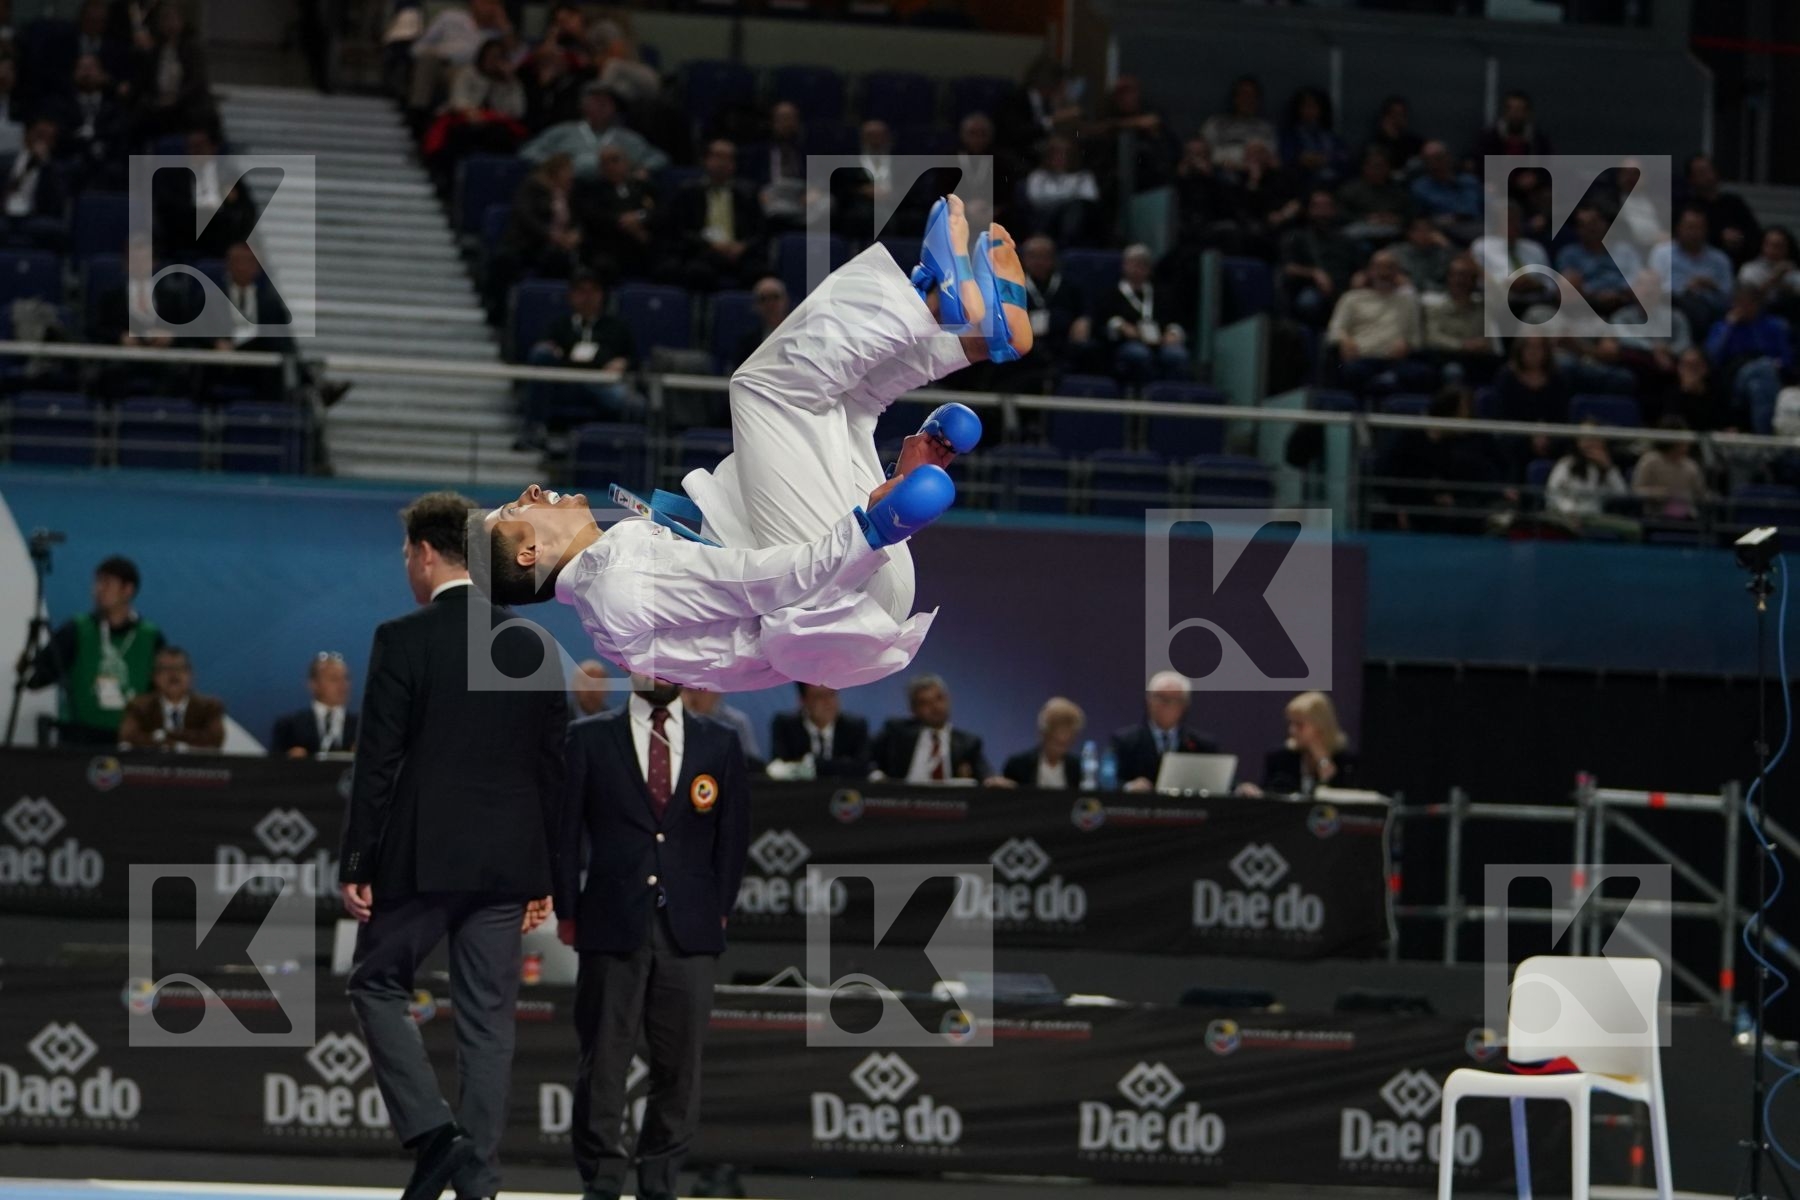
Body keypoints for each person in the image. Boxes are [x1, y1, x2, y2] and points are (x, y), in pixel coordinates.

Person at [470, 196, 1033, 691]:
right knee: (766, 392)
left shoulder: (613, 587)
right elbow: (758, 585)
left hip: (849, 590)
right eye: (518, 508)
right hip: (834, 585)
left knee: (840, 403)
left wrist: (885, 487)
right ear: (528, 554)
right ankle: (934, 304)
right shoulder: (616, 585)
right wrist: (873, 528)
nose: (533, 489)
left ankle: (979, 339)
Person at [339, 491, 567, 1200]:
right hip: (506, 868)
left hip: (422, 860)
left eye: (407, 552)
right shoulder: (534, 643)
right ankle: (478, 1183)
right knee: (488, 1025)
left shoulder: (401, 639)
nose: (406, 564)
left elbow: (377, 763)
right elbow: (552, 769)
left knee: (375, 985)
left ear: (428, 554)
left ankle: (438, 1136)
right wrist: (547, 876)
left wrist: (358, 862)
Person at [555, 674, 751, 1200]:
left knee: (680, 1067)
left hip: (690, 928)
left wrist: (719, 909)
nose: (660, 672)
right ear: (630, 666)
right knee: (604, 1059)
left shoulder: (720, 742)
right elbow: (566, 830)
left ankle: (659, 1183)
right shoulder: (591, 738)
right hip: (610, 920)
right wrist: (567, 908)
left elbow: (732, 838)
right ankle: (603, 1181)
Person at [15, 554, 164, 748]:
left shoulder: (150, 636)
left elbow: (162, 689)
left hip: (132, 738)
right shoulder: (76, 629)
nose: (97, 590)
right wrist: (26, 665)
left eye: (106, 583)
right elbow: (37, 678)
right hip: (79, 737)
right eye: (97, 583)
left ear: (128, 590)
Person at [519, 269, 637, 448]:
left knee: (633, 402)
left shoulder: (617, 327)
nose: (587, 297)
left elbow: (634, 358)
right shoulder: (559, 325)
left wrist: (623, 362)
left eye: (593, 292)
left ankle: (623, 447)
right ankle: (535, 429)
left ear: (602, 295)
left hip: (601, 383)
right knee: (541, 353)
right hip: (567, 382)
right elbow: (545, 350)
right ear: (571, 295)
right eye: (582, 291)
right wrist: (550, 351)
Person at [666, 138, 764, 292]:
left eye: (728, 158)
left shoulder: (748, 193)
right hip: (703, 252)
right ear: (706, 160)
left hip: (738, 253)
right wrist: (710, 245)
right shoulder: (688, 192)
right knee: (696, 272)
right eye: (718, 157)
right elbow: (680, 230)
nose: (723, 163)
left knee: (760, 273)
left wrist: (742, 246)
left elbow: (759, 232)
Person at [521, 81, 667, 180]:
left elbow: (658, 158)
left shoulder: (628, 138)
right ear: (583, 105)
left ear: (615, 108)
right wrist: (554, 166)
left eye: (607, 102)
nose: (601, 105)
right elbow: (528, 152)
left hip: (611, 194)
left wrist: (643, 170)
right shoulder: (563, 131)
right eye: (596, 100)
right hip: (569, 189)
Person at [869, 673, 990, 782]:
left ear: (948, 699)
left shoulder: (968, 743)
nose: (935, 707)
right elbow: (868, 760)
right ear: (913, 709)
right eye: (925, 703)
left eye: (939, 698)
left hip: (951, 802)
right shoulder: (896, 732)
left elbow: (985, 774)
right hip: (901, 801)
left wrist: (992, 779)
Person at [1111, 670, 1217, 791]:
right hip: (1139, 807)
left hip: (1189, 808)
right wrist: (1129, 786)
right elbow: (1108, 782)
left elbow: (1223, 780)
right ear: (1148, 700)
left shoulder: (1202, 744)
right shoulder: (1125, 741)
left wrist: (1240, 788)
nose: (1167, 704)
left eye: (1175, 699)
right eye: (1161, 698)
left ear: (1185, 705)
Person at [1099, 243, 1187, 386]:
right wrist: (1120, 325)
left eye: (1142, 265)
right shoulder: (1112, 293)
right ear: (1124, 266)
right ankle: (1144, 395)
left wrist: (1173, 332)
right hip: (1127, 342)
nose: (1136, 270)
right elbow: (1102, 319)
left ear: (1149, 269)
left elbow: (1174, 319)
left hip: (1160, 342)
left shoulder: (1161, 294)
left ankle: (1171, 398)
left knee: (1177, 355)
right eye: (1133, 264)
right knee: (1139, 354)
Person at [116, 645, 224, 752]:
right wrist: (172, 744)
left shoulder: (209, 707)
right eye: (166, 669)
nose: (173, 674)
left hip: (200, 768)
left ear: (191, 675)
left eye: (180, 668)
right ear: (155, 677)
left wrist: (164, 735)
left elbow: (215, 739)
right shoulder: (139, 706)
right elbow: (128, 736)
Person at [1251, 691, 1357, 796]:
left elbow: (1342, 797)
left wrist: (1322, 759)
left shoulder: (1346, 763)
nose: (1292, 730)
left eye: (1299, 725)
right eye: (1290, 723)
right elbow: (1269, 797)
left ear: (1320, 726)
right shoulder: (1279, 759)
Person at [769, 682, 870, 779]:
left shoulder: (855, 727)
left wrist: (813, 765)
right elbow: (777, 769)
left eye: (832, 694)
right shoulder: (786, 726)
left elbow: (862, 768)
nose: (828, 702)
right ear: (803, 701)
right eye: (819, 696)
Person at [269, 650, 359, 757]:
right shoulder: (289, 726)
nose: (343, 685)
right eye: (334, 679)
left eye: (346, 678)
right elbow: (273, 765)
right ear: (314, 684)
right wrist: (290, 759)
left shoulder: (362, 726)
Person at [992, 696, 1085, 789]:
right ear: (1043, 734)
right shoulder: (1018, 765)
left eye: (1065, 742)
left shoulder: (1077, 768)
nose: (1062, 737)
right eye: (1056, 740)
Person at [1631, 416, 1708, 520]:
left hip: (1687, 518)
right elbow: (1635, 491)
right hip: (1656, 515)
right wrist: (1656, 493)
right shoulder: (1650, 461)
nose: (1687, 442)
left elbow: (1701, 494)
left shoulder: (1691, 466)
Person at [1545, 425, 1629, 519]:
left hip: (1595, 520)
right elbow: (1552, 492)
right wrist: (1569, 510)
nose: (1589, 443)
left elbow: (1622, 495)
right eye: (1585, 438)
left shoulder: (1607, 470)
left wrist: (1609, 468)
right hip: (1567, 517)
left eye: (1594, 438)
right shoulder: (1566, 464)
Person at [1200, 74, 1277, 171]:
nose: (1248, 100)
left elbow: (1270, 155)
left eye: (1252, 95)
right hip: (1221, 171)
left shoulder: (1266, 128)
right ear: (1235, 98)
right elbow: (1203, 150)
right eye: (1244, 94)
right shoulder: (1216, 123)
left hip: (1257, 173)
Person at [679, 686, 762, 768]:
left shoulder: (737, 722)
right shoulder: (679, 718)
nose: (696, 694)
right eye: (692, 689)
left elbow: (752, 762)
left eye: (703, 690)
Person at [731, 276, 788, 371]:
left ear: (785, 301)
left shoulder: (800, 336)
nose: (770, 304)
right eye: (764, 299)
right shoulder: (747, 342)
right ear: (756, 306)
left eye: (775, 297)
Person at [1474, 90, 1550, 161]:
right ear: (1504, 111)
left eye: (1519, 109)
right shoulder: (1489, 137)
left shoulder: (1538, 141)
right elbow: (1479, 163)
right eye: (1510, 109)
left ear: (1528, 113)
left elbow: (1548, 166)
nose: (1514, 114)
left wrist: (1533, 174)